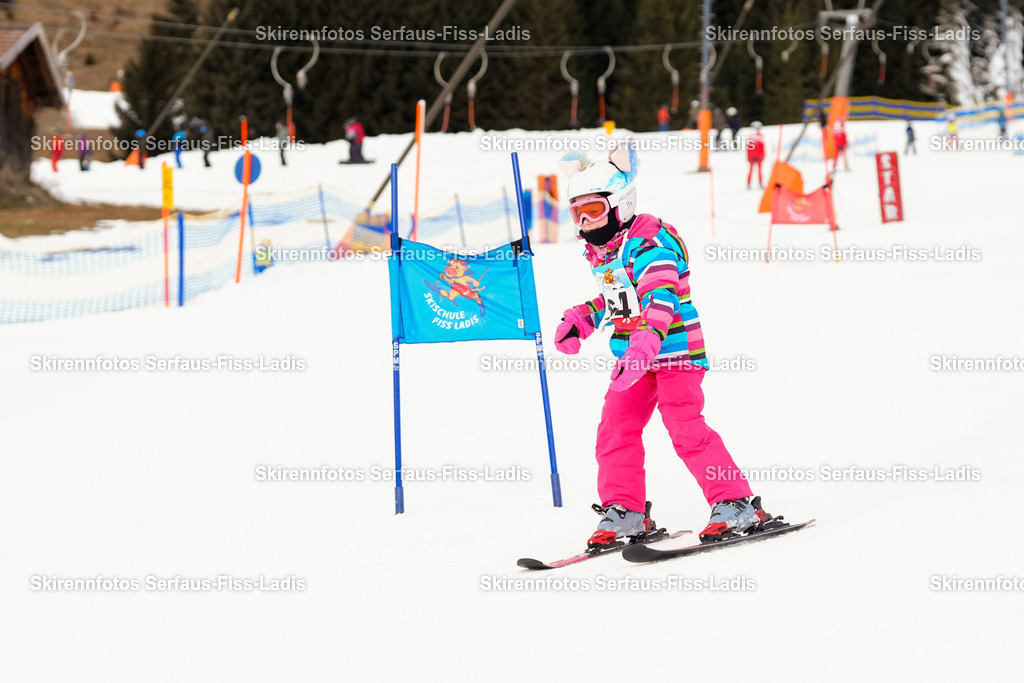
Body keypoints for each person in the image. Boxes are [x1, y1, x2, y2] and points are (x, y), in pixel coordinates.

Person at [554, 140, 774, 550]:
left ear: (620, 204)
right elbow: (619, 298)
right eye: (576, 212)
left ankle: (735, 502)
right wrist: (582, 318)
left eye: (594, 210)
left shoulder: (650, 243)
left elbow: (659, 299)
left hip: (675, 353)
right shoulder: (606, 251)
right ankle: (625, 511)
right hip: (633, 360)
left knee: (685, 426)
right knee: (615, 429)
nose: (584, 221)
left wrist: (644, 345)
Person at [746, 121, 765, 189]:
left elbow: (749, 148)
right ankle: (758, 183)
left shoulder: (751, 137)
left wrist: (748, 156)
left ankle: (750, 183)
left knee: (753, 170)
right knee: (757, 170)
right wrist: (763, 155)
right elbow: (762, 148)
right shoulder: (759, 137)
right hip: (757, 156)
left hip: (754, 156)